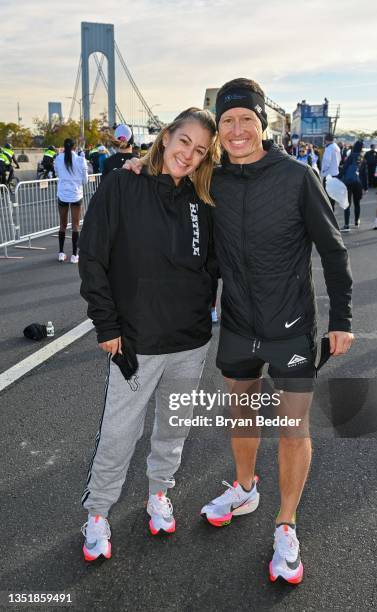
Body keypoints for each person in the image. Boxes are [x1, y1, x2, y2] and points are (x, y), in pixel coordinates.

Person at [124, 78, 354, 585]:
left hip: (291, 324)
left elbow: (333, 251)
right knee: (243, 411)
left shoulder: (297, 176)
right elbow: (169, 177)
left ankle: (286, 523)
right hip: (238, 322)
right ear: (219, 128)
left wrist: (342, 318)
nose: (236, 129)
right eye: (227, 121)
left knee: (293, 429)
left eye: (245, 119)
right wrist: (139, 164)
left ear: (262, 124)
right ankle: (246, 487)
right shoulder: (213, 179)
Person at [78, 108, 219, 562]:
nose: (188, 155)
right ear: (166, 136)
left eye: (199, 151)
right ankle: (98, 513)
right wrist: (107, 324)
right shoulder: (123, 182)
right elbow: (93, 255)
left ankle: (159, 493)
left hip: (191, 339)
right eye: (184, 142)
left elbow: (211, 262)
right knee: (119, 432)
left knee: (172, 429)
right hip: (137, 340)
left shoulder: (203, 198)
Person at [54, 138, 88, 263]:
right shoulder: (80, 160)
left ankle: (61, 253)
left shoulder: (58, 158)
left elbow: (57, 173)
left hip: (62, 194)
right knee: (75, 226)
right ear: (75, 147)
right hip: (75, 195)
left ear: (64, 147)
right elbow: (85, 181)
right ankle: (74, 255)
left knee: (62, 225)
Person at [339, 140, 368, 231]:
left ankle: (346, 225)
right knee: (357, 203)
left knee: (347, 204)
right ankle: (356, 221)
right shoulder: (363, 158)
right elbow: (364, 174)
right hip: (358, 183)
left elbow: (344, 169)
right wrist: (365, 187)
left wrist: (337, 178)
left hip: (348, 182)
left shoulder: (351, 156)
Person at [321, 133, 341, 209]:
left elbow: (326, 160)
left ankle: (328, 209)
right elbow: (339, 159)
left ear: (326, 140)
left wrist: (323, 170)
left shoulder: (329, 148)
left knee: (327, 194)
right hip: (336, 173)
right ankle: (332, 208)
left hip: (329, 174)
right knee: (333, 193)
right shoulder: (336, 147)